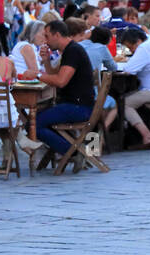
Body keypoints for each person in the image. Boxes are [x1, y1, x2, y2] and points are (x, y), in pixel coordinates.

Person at [18, 21, 95, 159]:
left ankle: (73, 152)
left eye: (47, 36)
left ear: (57, 35)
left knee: (33, 125)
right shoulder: (70, 50)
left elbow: (60, 81)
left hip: (78, 107)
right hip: (76, 104)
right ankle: (73, 150)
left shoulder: (73, 51)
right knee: (37, 118)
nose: (45, 40)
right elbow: (55, 74)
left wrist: (37, 75)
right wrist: (46, 60)